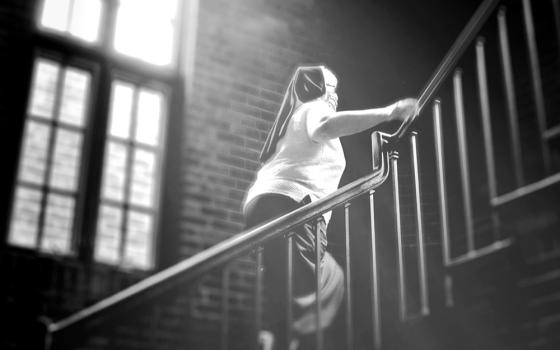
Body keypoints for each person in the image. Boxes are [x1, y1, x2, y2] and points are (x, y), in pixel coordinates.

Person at [244, 65, 418, 350]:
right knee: (314, 290)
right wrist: (389, 112)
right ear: (316, 88)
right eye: (331, 87)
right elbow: (326, 126)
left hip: (265, 204)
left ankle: (275, 336)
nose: (335, 95)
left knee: (310, 284)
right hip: (292, 206)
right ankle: (283, 338)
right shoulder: (312, 109)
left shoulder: (292, 121)